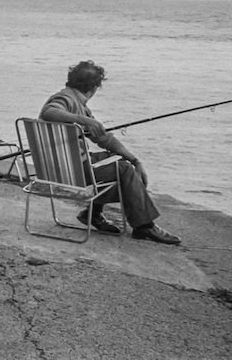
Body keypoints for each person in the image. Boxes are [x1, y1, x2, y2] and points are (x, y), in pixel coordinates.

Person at [39, 60, 181, 245]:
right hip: (72, 171)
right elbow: (49, 111)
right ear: (95, 87)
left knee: (124, 166)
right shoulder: (66, 99)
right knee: (124, 170)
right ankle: (144, 226)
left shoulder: (77, 104)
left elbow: (104, 139)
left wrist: (135, 159)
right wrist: (85, 121)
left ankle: (94, 213)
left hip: (58, 168)